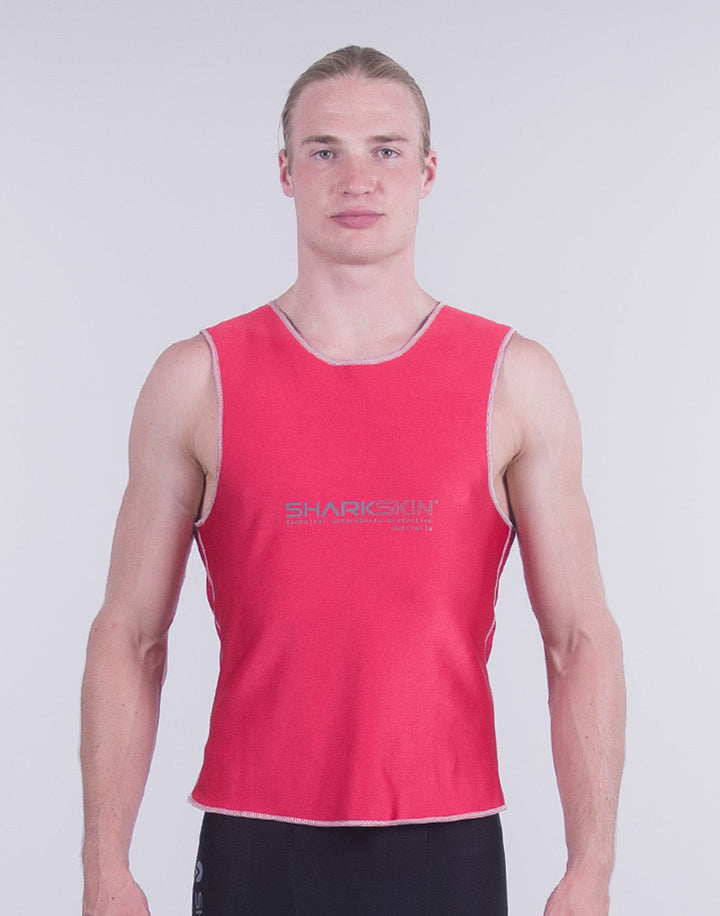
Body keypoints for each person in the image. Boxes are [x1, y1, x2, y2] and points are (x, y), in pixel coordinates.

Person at [80, 46, 625, 916]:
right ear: (286, 171)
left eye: (386, 150)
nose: (357, 179)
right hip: (256, 843)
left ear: (427, 171)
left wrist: (590, 867)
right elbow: (129, 635)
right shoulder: (196, 381)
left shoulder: (515, 381)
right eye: (325, 150)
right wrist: (105, 868)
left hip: (446, 844)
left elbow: (580, 640)